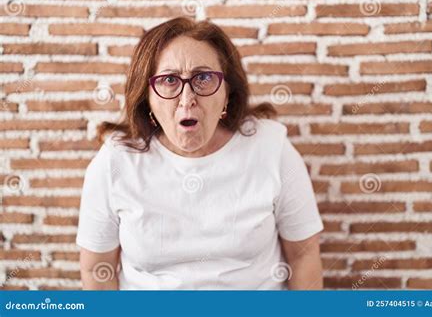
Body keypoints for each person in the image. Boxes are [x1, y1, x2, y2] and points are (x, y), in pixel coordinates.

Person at [76, 16, 324, 290]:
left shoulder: (272, 148)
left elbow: (303, 256)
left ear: (228, 91)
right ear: (147, 95)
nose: (187, 99)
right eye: (169, 80)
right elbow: (97, 269)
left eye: (203, 78)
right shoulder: (115, 161)